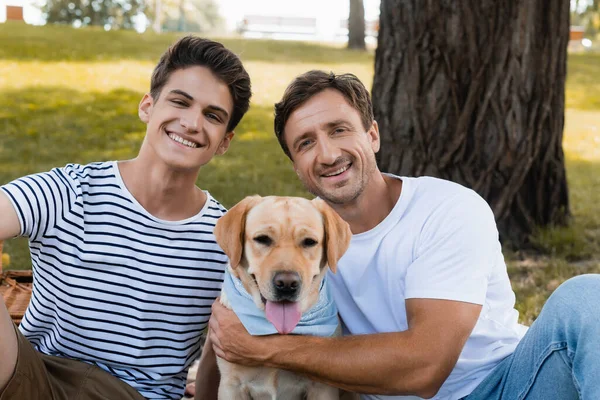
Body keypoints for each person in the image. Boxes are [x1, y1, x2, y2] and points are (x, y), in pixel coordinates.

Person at [203, 70, 600, 400]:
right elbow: (228, 330)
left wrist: (263, 349)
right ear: (296, 166)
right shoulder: (296, 236)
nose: (326, 154)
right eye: (306, 144)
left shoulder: (448, 209)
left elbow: (426, 366)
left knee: (585, 297)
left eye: (339, 130)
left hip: (506, 387)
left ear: (372, 135)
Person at [0, 35, 251, 400]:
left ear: (225, 141)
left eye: (212, 116)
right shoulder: (70, 192)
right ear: (148, 106)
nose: (192, 123)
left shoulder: (226, 239)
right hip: (38, 381)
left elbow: (224, 348)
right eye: (180, 102)